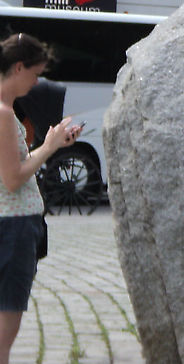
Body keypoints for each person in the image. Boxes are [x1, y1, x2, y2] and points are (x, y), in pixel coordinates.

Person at [0, 33, 82, 364]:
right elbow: (14, 178)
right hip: (13, 230)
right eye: (35, 75)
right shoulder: (4, 113)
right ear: (18, 67)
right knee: (4, 335)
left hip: (11, 227)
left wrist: (51, 144)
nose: (36, 83)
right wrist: (48, 147)